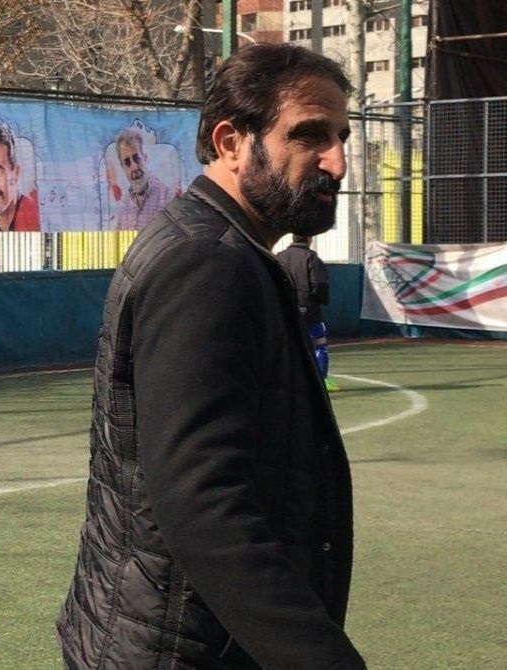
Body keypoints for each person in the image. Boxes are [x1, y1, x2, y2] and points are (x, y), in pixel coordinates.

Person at [57, 44, 365, 669]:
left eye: (341, 137)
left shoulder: (227, 250)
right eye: (309, 135)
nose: (336, 161)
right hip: (177, 651)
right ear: (231, 143)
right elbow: (204, 505)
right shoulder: (208, 264)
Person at [278, 234, 338, 392]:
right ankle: (322, 380)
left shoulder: (280, 257)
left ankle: (288, 381)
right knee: (320, 343)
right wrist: (322, 300)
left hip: (286, 306)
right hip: (308, 308)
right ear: (309, 239)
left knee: (288, 345)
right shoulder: (311, 257)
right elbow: (319, 284)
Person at [114, 127, 174, 230]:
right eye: (127, 163)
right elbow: (117, 237)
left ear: (145, 158)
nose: (134, 167)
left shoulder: (166, 198)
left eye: (136, 158)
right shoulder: (125, 204)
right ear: (123, 168)